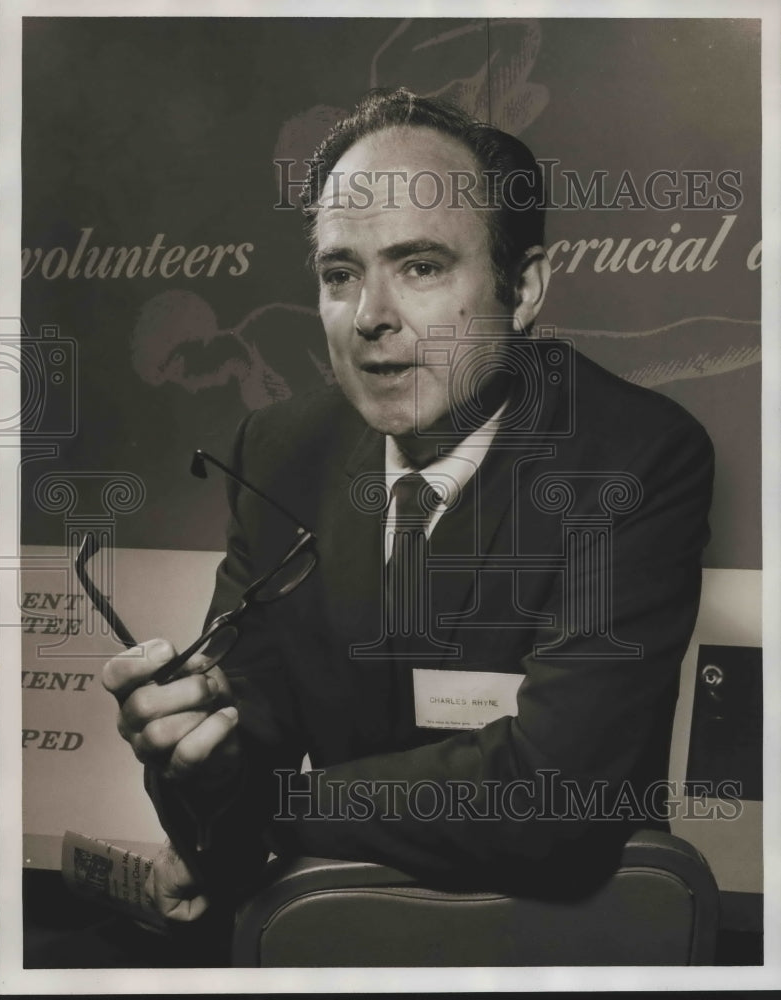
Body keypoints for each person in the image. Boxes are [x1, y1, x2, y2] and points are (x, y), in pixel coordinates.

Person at [103, 89, 714, 926]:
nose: (371, 318)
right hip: (328, 929)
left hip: (557, 936)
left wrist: (267, 806)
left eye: (420, 267)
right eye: (339, 275)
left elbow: (552, 802)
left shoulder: (635, 453)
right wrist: (194, 763)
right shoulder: (281, 451)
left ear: (524, 287)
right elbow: (235, 769)